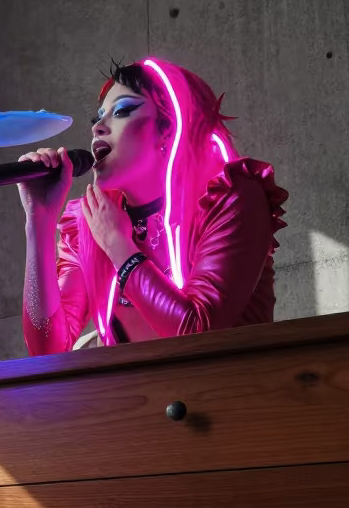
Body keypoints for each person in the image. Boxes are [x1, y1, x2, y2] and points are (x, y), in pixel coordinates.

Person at [19, 58, 288, 354]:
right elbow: (47, 348)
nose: (98, 127)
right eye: (97, 117)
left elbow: (199, 332)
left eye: (121, 111)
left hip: (231, 393)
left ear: (168, 128)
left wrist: (118, 246)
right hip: (132, 396)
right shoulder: (89, 221)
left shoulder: (230, 197)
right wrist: (39, 221)